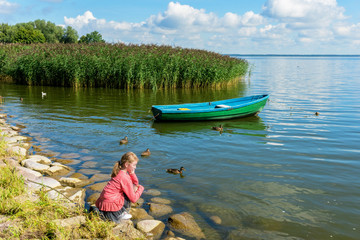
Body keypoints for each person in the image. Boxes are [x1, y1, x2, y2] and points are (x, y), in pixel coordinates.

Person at [95, 152, 144, 222]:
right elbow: (133, 199)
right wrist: (141, 189)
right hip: (111, 207)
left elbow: (135, 183)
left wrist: (132, 173)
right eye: (134, 165)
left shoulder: (119, 172)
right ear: (126, 164)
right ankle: (120, 213)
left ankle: (118, 212)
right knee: (132, 191)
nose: (135, 167)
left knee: (130, 188)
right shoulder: (124, 177)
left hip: (104, 203)